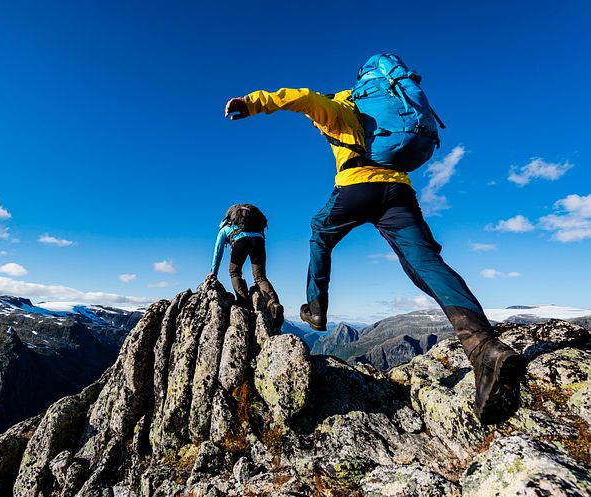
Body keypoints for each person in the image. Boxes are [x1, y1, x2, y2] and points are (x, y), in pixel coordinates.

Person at [224, 84, 527, 425]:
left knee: (319, 233)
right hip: (398, 192)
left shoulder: (339, 108)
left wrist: (251, 103)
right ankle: (483, 347)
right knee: (424, 261)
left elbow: (302, 98)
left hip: (355, 187)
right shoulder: (382, 117)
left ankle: (316, 309)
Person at [209, 204, 284, 328]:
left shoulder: (225, 228)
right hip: (258, 241)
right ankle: (273, 303)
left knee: (234, 273)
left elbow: (218, 252)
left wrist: (214, 272)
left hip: (240, 243)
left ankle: (243, 302)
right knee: (260, 277)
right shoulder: (252, 224)